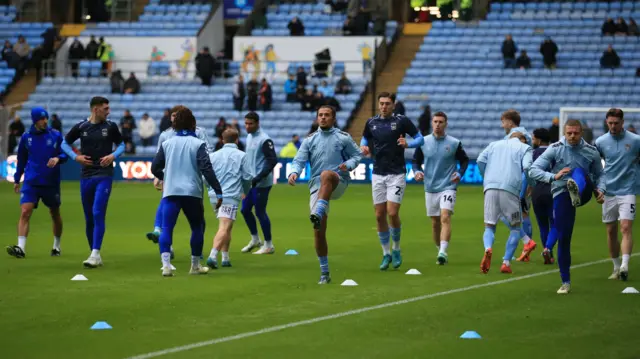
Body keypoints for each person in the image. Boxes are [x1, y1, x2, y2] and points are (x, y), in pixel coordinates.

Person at [529, 119, 606, 294]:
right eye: (569, 133)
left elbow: (601, 174)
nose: (572, 136)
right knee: (564, 236)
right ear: (564, 133)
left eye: (576, 133)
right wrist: (553, 176)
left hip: (585, 189)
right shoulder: (555, 148)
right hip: (562, 193)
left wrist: (600, 189)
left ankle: (576, 189)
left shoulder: (590, 151)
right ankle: (566, 282)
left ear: (581, 133)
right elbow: (533, 170)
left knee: (578, 171)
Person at [288, 105, 362, 284]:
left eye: (327, 115)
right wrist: (294, 172)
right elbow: (299, 160)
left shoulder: (343, 138)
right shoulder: (310, 140)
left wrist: (349, 165)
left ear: (333, 118)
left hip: (338, 181)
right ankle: (325, 272)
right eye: (320, 115)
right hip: (316, 186)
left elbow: (357, 155)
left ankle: (319, 211)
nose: (323, 118)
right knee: (318, 232)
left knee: (326, 174)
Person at [151, 107, 223, 277]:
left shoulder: (167, 143)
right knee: (197, 227)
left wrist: (164, 177)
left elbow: (154, 167)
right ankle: (195, 266)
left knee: (167, 228)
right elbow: (206, 168)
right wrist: (218, 191)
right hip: (192, 192)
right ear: (193, 123)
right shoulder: (198, 143)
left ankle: (166, 266)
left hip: (171, 192)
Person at [360, 92, 424, 270]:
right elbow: (365, 138)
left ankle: (396, 249)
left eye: (387, 103)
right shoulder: (371, 122)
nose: (384, 106)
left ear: (393, 105)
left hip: (397, 173)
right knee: (379, 215)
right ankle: (385, 253)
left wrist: (408, 144)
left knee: (392, 213)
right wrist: (363, 146)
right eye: (381, 103)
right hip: (378, 173)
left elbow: (420, 139)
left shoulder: (402, 121)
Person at [61, 97, 126, 268]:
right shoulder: (82, 127)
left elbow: (121, 145)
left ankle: (95, 253)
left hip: (104, 174)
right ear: (95, 109)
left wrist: (113, 155)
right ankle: (94, 253)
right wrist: (76, 157)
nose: (108, 111)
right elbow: (64, 144)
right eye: (105, 108)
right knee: (89, 217)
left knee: (98, 212)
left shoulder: (111, 127)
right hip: (86, 175)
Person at [6, 107, 67, 259]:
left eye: (46, 118)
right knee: (25, 211)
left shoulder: (55, 135)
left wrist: (58, 158)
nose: (45, 121)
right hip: (31, 181)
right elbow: (21, 159)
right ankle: (21, 248)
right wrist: (17, 179)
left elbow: (65, 153)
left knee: (54, 213)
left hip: (50, 181)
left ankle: (56, 246)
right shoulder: (26, 137)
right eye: (41, 119)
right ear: (34, 120)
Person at [412, 111, 469, 265]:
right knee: (435, 222)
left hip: (448, 186)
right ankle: (439, 249)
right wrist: (417, 172)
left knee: (445, 216)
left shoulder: (454, 143)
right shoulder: (423, 142)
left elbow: (464, 161)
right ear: (432, 123)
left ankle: (443, 251)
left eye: (441, 122)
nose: (437, 125)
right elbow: (416, 161)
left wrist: (459, 172)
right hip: (430, 186)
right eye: (435, 121)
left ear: (446, 124)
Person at [477, 132, 533, 275]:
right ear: (522, 140)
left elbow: (480, 160)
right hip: (511, 190)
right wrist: (531, 184)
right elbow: (527, 167)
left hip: (490, 188)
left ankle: (488, 248)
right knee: (515, 227)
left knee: (489, 226)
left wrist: (487, 176)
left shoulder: (493, 144)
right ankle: (506, 263)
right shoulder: (525, 148)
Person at [595, 108, 640, 281]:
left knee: (626, 227)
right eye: (610, 123)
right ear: (607, 122)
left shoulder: (635, 140)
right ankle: (615, 266)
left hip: (628, 190)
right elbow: (596, 166)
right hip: (608, 191)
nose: (613, 126)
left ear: (622, 122)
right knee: (611, 231)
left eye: (616, 123)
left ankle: (624, 266)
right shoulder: (600, 141)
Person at [205, 128, 253, 269]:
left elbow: (205, 176)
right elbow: (247, 177)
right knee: (224, 227)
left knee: (227, 226)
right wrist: (245, 191)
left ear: (222, 139)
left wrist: (210, 189)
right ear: (237, 140)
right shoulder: (242, 156)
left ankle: (225, 257)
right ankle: (213, 256)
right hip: (230, 196)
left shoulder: (213, 156)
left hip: (215, 196)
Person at [239, 112, 278, 255]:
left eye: (250, 124)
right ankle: (255, 239)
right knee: (244, 210)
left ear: (257, 123)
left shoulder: (264, 140)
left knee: (260, 212)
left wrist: (259, 177)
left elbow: (272, 160)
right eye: (246, 123)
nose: (247, 126)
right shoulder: (249, 137)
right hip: (250, 182)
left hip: (261, 183)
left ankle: (268, 244)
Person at [500, 110, 537, 261]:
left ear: (509, 121)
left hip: (517, 178)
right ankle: (526, 249)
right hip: (523, 177)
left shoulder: (515, 135)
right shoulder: (523, 134)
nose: (502, 125)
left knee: (504, 214)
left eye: (503, 121)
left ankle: (527, 243)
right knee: (522, 213)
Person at [530, 128, 558, 265]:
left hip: (537, 192)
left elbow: (527, 173)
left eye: (533, 138)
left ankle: (549, 254)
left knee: (542, 225)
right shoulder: (556, 151)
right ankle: (548, 248)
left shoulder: (533, 153)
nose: (532, 140)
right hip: (553, 190)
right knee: (555, 224)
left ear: (539, 140)